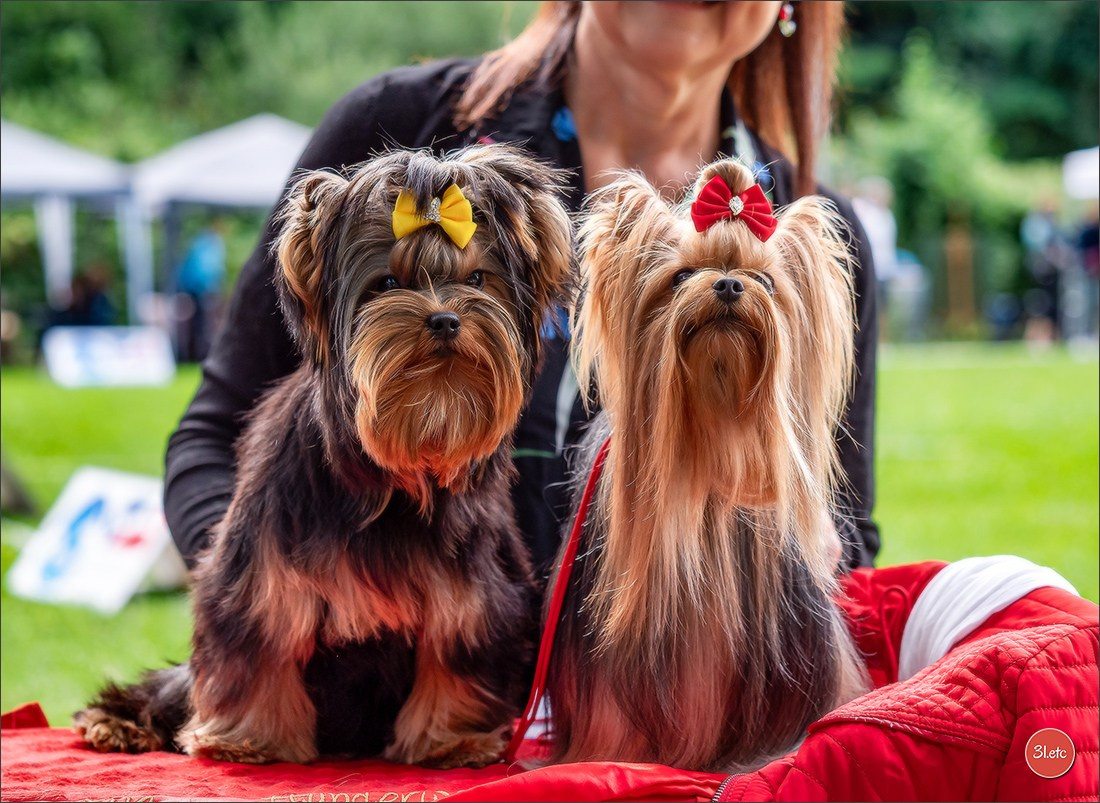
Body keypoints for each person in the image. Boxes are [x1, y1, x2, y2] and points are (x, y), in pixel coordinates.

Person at [164, 1, 879, 578]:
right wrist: (254, 607)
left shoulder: (815, 236)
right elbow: (214, 438)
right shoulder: (394, 132)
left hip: (657, 724)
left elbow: (846, 531)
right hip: (397, 719)